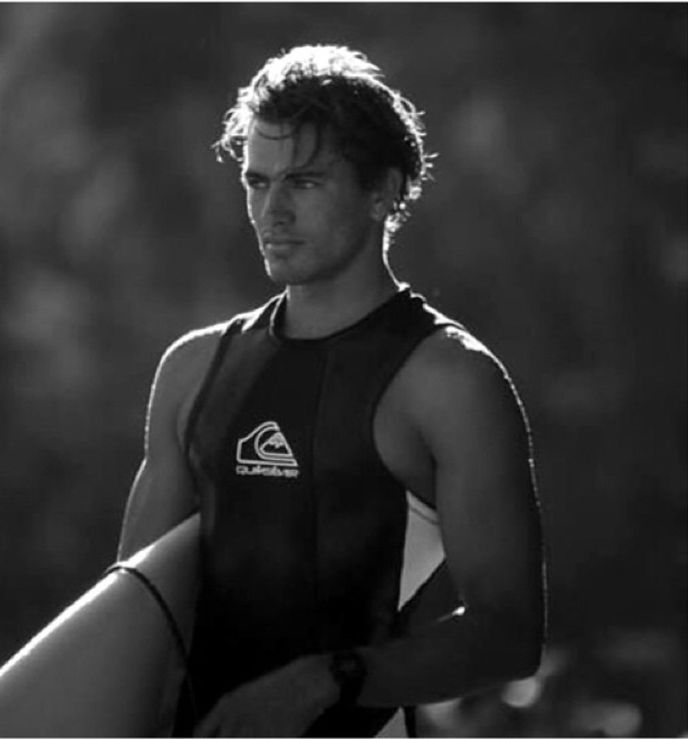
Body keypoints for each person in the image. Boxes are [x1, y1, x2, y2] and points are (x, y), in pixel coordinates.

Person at [117, 44, 546, 737]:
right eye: (257, 182)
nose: (272, 210)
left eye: (306, 182)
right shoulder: (192, 371)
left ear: (383, 189)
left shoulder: (448, 382)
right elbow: (131, 618)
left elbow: (510, 631)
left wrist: (328, 679)